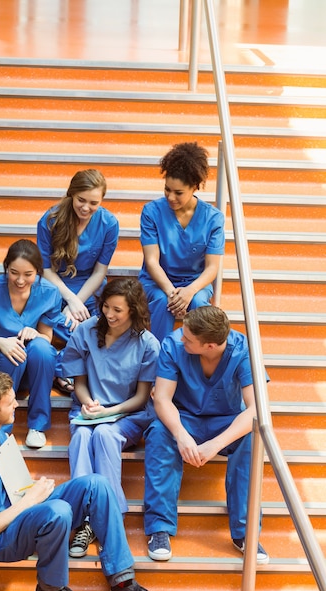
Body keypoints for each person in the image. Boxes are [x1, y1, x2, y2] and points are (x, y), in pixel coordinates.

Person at [0, 372, 167, 591]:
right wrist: (32, 500)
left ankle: (122, 581)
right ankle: (50, 589)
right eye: (10, 403)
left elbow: (14, 484)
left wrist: (33, 489)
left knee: (97, 484)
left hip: (19, 509)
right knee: (59, 512)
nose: (17, 405)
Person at [143, 306, 270, 564]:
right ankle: (159, 528)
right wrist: (180, 434)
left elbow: (257, 408)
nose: (182, 339)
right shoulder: (173, 344)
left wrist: (214, 445)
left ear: (210, 346)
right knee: (158, 432)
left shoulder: (242, 349)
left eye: (189, 338)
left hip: (225, 421)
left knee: (252, 436)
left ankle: (245, 534)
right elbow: (163, 399)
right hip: (184, 418)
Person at [61, 278, 160, 558]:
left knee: (104, 434)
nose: (109, 314)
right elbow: (79, 382)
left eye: (117, 309)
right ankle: (84, 519)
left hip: (127, 415)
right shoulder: (87, 330)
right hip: (88, 412)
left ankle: (108, 519)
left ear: (133, 310)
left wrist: (110, 412)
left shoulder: (147, 343)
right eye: (106, 306)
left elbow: (142, 397)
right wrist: (87, 403)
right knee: (81, 436)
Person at [37, 169, 119, 393]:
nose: (86, 208)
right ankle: (68, 369)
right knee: (58, 320)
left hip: (90, 288)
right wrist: (70, 301)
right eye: (81, 200)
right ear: (71, 194)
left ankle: (61, 366)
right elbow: (45, 269)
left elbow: (100, 271)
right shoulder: (50, 219)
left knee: (101, 324)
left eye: (93, 203)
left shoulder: (109, 223)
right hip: (55, 285)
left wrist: (77, 303)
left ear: (101, 201)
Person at [0, 239, 61, 449]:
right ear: (6, 268)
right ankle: (1, 431)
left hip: (30, 364)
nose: (20, 280)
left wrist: (36, 334)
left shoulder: (49, 293)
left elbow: (47, 338)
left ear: (38, 272)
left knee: (42, 349)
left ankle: (37, 426)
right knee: (11, 353)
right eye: (14, 272)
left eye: (28, 274)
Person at [138, 142, 225, 342]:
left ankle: (196, 362)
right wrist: (172, 292)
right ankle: (159, 362)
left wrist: (190, 291)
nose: (170, 196)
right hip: (158, 282)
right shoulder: (151, 212)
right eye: (167, 189)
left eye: (178, 193)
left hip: (194, 282)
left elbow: (212, 268)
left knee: (200, 303)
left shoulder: (213, 218)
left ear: (194, 187)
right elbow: (151, 261)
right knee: (161, 301)